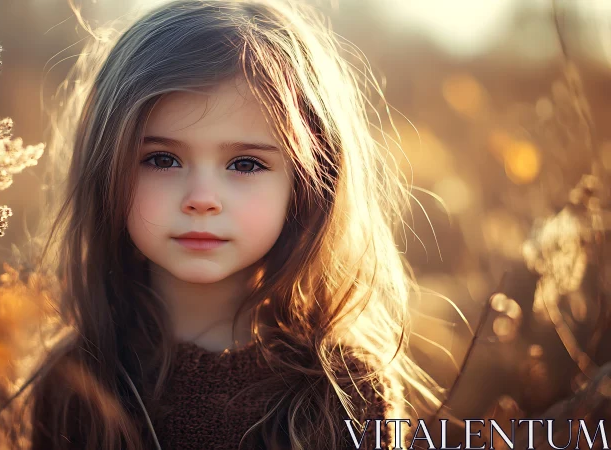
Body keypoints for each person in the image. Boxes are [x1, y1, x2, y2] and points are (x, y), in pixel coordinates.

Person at [29, 0, 442, 448]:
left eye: (245, 164)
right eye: (162, 159)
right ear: (105, 168)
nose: (202, 199)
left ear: (307, 184)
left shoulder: (344, 390)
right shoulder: (76, 383)